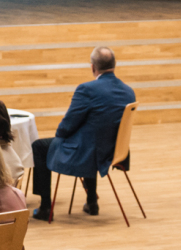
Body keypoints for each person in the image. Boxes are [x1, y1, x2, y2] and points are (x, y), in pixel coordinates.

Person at [31, 47, 136, 221]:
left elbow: (67, 125)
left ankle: (45, 208)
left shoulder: (87, 89)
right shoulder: (128, 91)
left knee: (39, 146)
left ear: (93, 67)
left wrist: (60, 134)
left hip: (88, 153)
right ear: (114, 65)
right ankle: (91, 201)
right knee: (90, 138)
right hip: (112, 151)